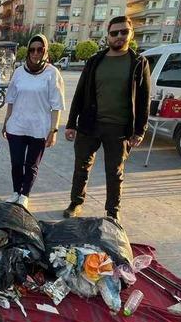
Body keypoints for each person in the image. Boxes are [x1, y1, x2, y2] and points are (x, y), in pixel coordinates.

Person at [64, 16, 151, 221]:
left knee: (115, 173)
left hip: (119, 128)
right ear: (108, 35)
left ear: (131, 34)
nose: (119, 36)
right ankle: (76, 202)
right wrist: (71, 123)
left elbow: (144, 99)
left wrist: (140, 130)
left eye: (124, 32)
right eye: (114, 33)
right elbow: (80, 92)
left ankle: (112, 212)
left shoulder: (138, 62)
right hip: (89, 124)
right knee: (81, 167)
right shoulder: (95, 61)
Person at [2, 34, 65, 209]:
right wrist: (7, 122)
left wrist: (53, 131)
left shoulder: (52, 73)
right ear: (28, 51)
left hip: (39, 128)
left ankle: (25, 194)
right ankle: (16, 191)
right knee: (16, 162)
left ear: (45, 51)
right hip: (17, 126)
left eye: (40, 49)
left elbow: (57, 105)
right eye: (32, 49)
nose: (35, 53)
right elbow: (11, 99)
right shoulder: (19, 72)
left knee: (31, 165)